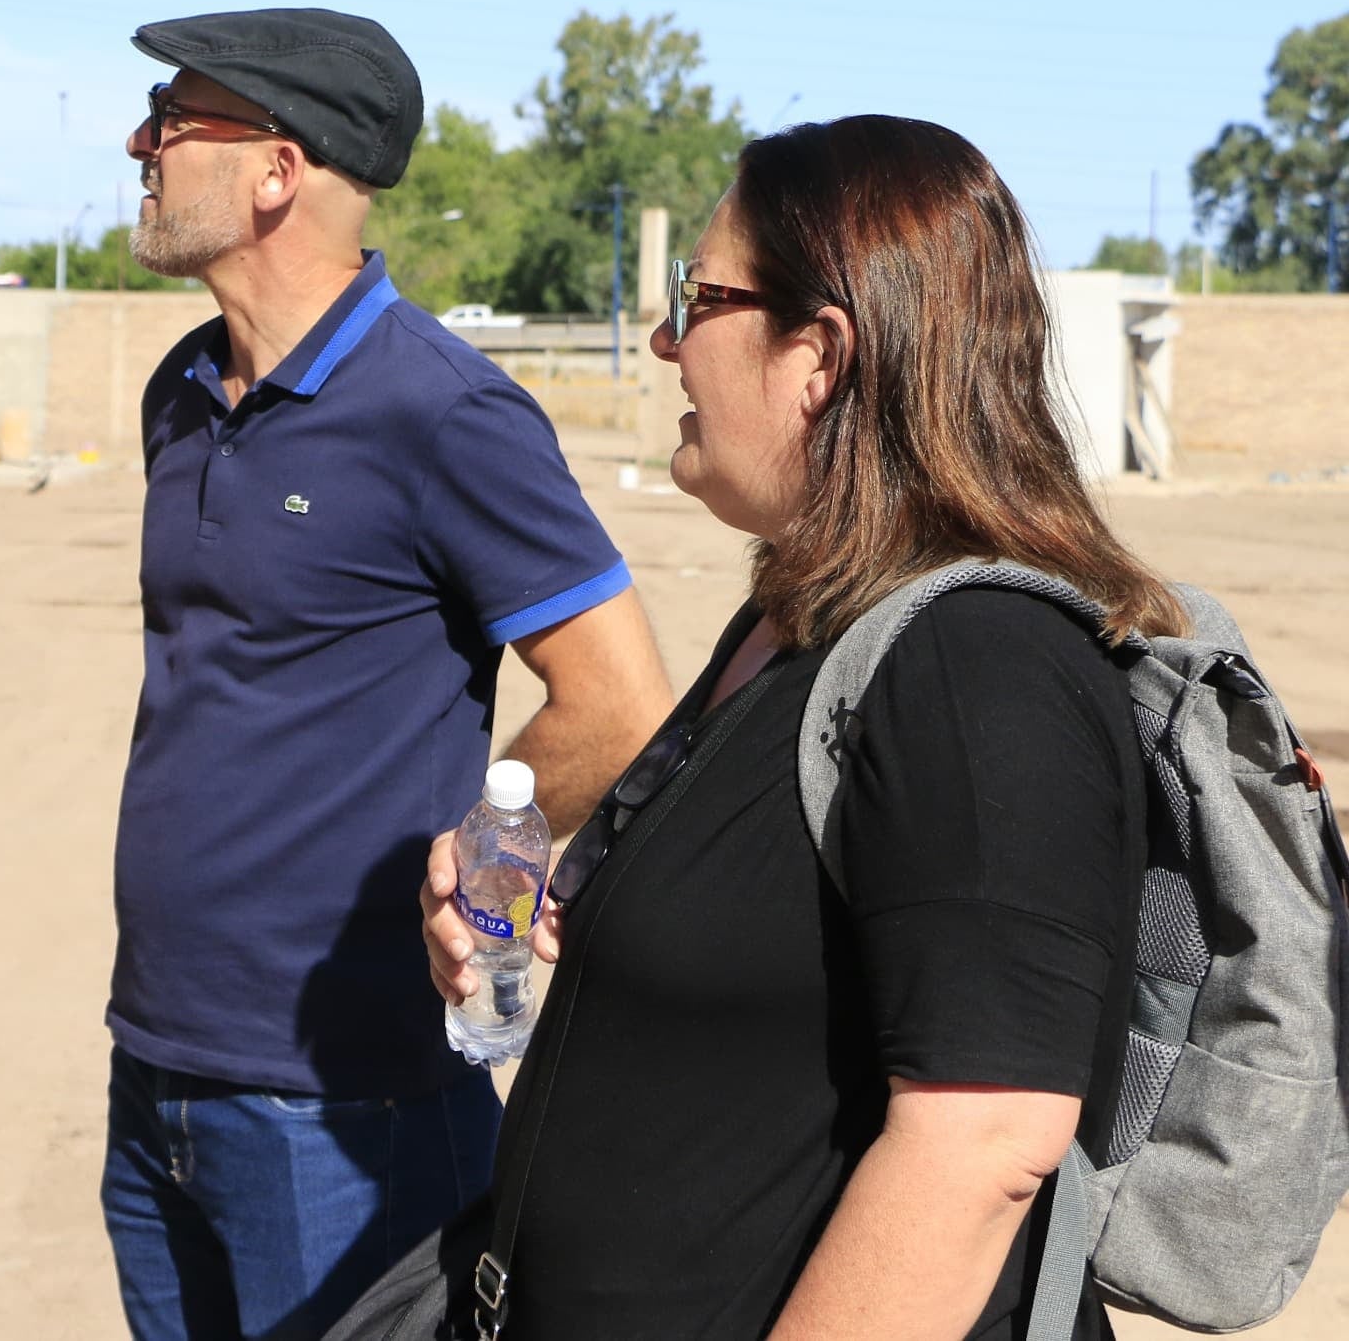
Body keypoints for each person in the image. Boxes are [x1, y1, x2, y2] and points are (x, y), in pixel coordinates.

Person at [421, 114, 1172, 1339]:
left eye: (696, 298)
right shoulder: (799, 620)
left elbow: (981, 1142)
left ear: (818, 354)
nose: (665, 338)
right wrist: (516, 903)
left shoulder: (980, 669)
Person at [103, 8, 674, 1341]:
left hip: (346, 1104)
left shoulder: (445, 411)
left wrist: (485, 841)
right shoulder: (180, 393)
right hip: (159, 1065)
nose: (141, 143)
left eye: (174, 120)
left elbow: (621, 697)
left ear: (277, 170)